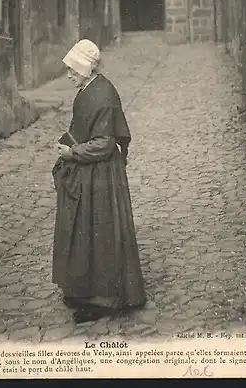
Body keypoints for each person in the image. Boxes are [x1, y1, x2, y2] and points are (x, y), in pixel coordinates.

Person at [52, 39, 146, 324]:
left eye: (72, 69)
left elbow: (105, 144)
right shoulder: (87, 89)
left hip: (102, 174)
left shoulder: (103, 93)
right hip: (89, 171)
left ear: (86, 67)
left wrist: (73, 152)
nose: (68, 74)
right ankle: (83, 290)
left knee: (101, 233)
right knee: (85, 230)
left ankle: (106, 299)